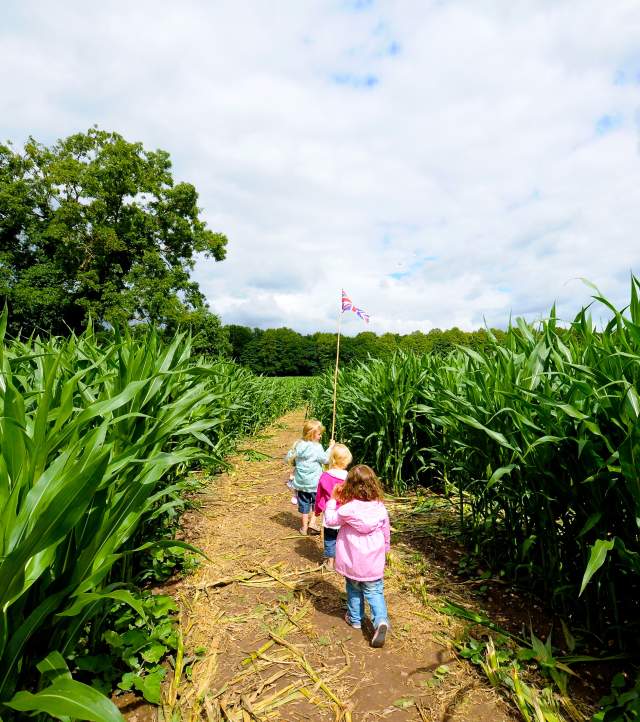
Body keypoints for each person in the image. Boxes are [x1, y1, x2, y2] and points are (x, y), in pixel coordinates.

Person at [323, 464, 390, 648]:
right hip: (373, 561)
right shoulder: (379, 507)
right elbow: (385, 531)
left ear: (349, 486)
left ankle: (355, 619)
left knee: (353, 588)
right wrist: (386, 549)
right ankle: (381, 621)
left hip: (353, 561)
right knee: (375, 591)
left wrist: (332, 500)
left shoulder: (348, 509)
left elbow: (330, 521)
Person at [286, 419, 334, 535]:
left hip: (301, 483)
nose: (321, 436)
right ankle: (312, 522)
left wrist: (295, 463)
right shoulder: (317, 448)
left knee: (304, 505)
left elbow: (288, 458)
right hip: (314, 483)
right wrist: (330, 447)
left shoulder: (298, 445)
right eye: (319, 434)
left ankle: (304, 528)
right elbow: (326, 459)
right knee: (316, 503)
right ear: (312, 435)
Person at [314, 443, 353, 570]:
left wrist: (318, 509)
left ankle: (330, 562)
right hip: (344, 513)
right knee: (344, 538)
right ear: (346, 461)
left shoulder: (325, 476)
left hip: (330, 513)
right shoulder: (348, 477)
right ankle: (342, 561)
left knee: (330, 538)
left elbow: (319, 494)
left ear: (332, 459)